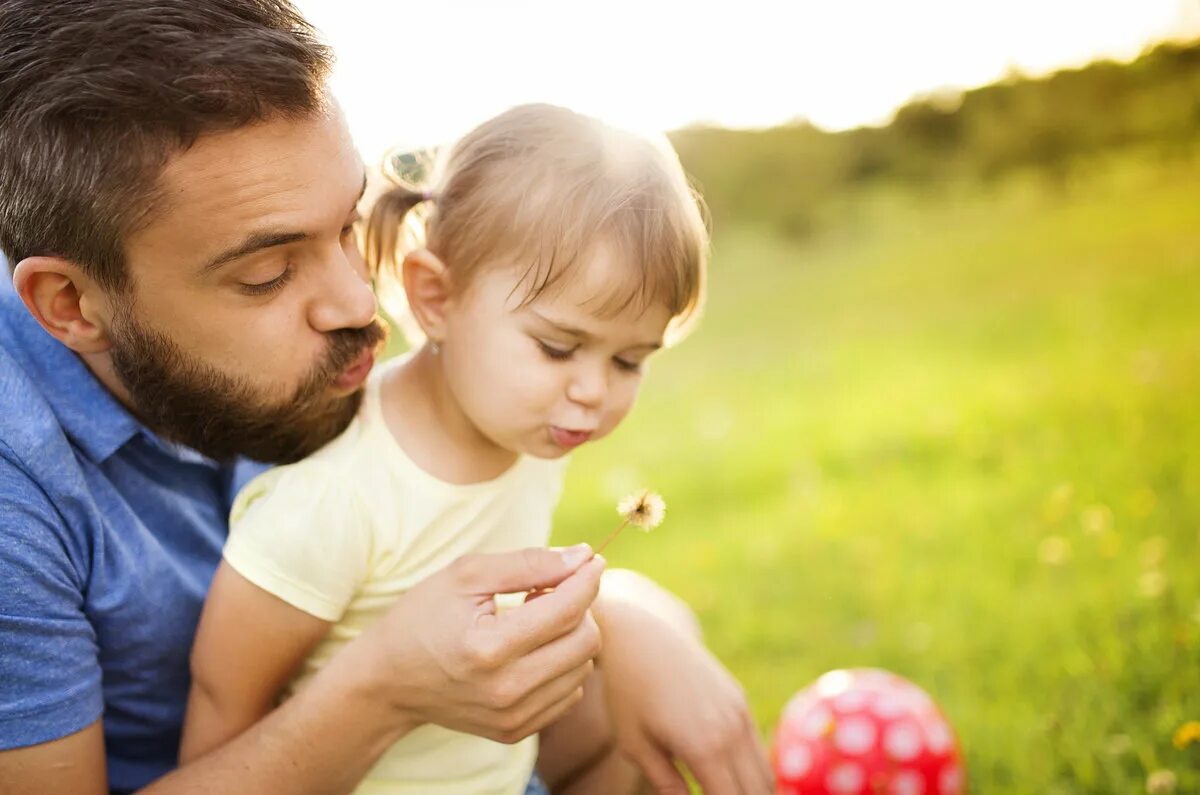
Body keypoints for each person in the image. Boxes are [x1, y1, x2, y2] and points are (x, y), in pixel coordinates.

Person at [0, 2, 769, 794]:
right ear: (72, 304)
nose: (362, 305)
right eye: (267, 274)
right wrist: (385, 688)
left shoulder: (356, 354)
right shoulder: (13, 491)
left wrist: (630, 625)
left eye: (347, 227)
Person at [177, 102, 730, 795]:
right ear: (436, 297)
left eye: (629, 360)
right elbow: (224, 705)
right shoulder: (336, 496)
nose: (594, 390)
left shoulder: (523, 428)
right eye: (559, 346)